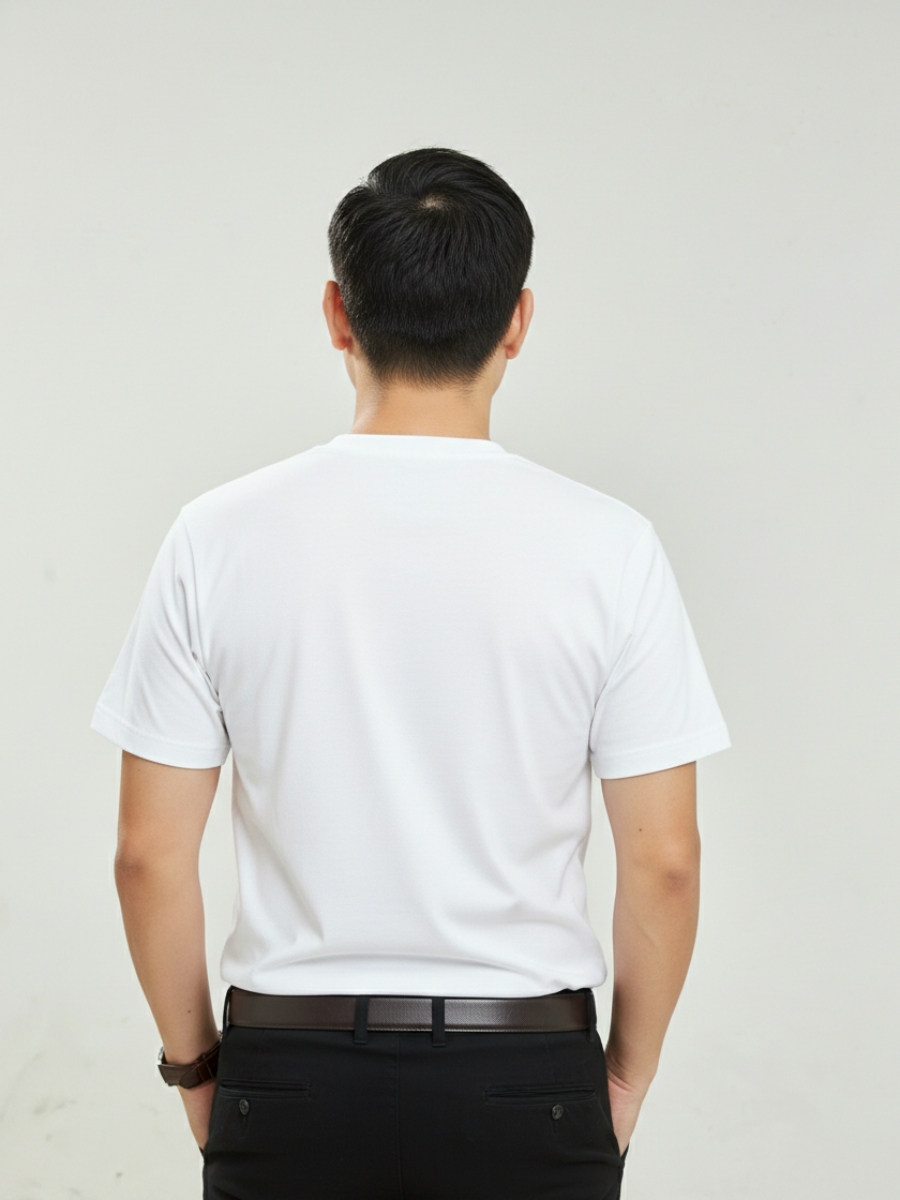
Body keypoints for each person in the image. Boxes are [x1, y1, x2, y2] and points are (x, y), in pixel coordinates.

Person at [91, 147, 730, 1199]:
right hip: (529, 1072)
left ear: (337, 315)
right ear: (518, 322)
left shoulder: (217, 538)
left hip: (288, 1077)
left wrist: (199, 1073)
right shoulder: (610, 549)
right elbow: (664, 861)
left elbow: (147, 857)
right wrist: (623, 1079)